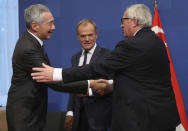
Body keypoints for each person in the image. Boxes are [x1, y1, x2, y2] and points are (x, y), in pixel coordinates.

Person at [32, 4, 180, 131]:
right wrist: (110, 85)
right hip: (160, 117)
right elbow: (139, 79)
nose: (121, 25)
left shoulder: (132, 45)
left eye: (123, 21)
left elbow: (97, 68)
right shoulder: (156, 41)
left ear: (134, 21)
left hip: (142, 120)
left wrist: (57, 73)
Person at [6, 4, 107, 131]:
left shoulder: (34, 43)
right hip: (25, 116)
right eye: (50, 23)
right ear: (35, 26)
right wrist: (90, 84)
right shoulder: (28, 49)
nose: (53, 27)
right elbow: (52, 81)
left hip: (32, 114)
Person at [64, 19, 112, 131]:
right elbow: (72, 86)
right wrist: (70, 112)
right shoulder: (75, 58)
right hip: (78, 118)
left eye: (90, 35)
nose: (87, 39)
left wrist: (89, 91)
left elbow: (110, 85)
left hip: (99, 118)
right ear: (77, 37)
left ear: (96, 34)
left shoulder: (108, 56)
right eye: (83, 36)